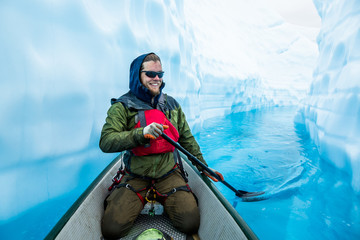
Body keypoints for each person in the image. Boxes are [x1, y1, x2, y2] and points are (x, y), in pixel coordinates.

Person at [99, 53, 223, 239]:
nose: (156, 78)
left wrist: (203, 167)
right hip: (136, 176)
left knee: (190, 223)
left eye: (160, 74)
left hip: (168, 173)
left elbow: (187, 139)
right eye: (150, 73)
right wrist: (141, 133)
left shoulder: (171, 105)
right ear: (137, 75)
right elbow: (106, 141)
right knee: (112, 229)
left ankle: (164, 196)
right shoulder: (122, 106)